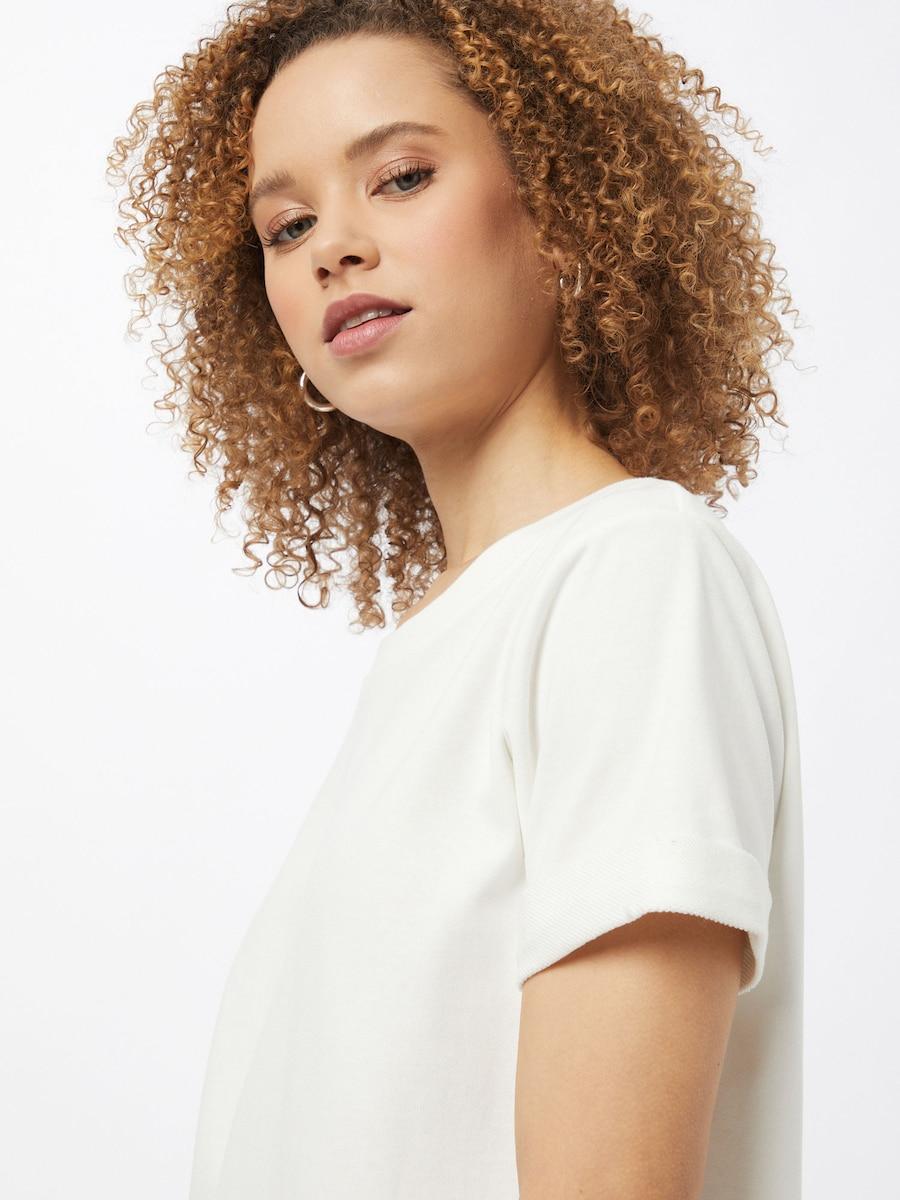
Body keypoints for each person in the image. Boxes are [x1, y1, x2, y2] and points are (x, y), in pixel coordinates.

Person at [107, 2, 805, 1197]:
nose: (333, 247)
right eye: (287, 226)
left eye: (402, 177)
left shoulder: (633, 573)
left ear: (564, 203)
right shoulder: (448, 647)